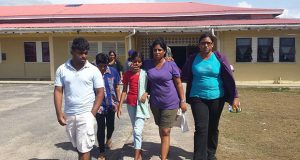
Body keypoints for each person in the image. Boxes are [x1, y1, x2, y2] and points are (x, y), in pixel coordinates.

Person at [181, 33, 240, 160]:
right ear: (199, 45)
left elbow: (229, 77)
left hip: (217, 97)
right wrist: (169, 63)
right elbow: (182, 74)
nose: (205, 45)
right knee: (201, 128)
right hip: (198, 96)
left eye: (208, 43)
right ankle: (199, 157)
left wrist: (235, 96)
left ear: (212, 45)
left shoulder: (219, 58)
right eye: (203, 43)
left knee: (213, 127)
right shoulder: (193, 59)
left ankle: (210, 154)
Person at [54, 37, 104, 160]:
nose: (84, 56)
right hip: (70, 115)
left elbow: (100, 92)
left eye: (86, 53)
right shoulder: (62, 69)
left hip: (86, 115)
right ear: (72, 52)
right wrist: (59, 113)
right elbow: (58, 91)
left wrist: (92, 113)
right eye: (80, 53)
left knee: (84, 150)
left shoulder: (93, 70)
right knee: (78, 147)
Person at [143, 38, 187, 160]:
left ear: (164, 51)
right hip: (155, 103)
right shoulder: (147, 64)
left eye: (159, 50)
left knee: (166, 130)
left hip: (170, 102)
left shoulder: (171, 64)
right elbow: (133, 62)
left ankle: (163, 157)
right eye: (154, 50)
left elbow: (178, 83)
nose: (157, 52)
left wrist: (182, 101)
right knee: (161, 128)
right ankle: (165, 147)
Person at [117, 52, 150, 160]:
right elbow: (124, 91)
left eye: (139, 62)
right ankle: (139, 150)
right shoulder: (127, 74)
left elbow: (151, 87)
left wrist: (146, 93)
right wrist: (120, 105)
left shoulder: (145, 74)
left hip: (141, 105)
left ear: (141, 63)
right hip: (131, 105)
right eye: (134, 61)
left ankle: (136, 157)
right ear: (131, 61)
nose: (136, 63)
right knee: (136, 129)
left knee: (137, 130)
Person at [95, 53, 121, 160]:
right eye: (100, 66)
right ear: (96, 64)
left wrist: (118, 103)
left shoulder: (113, 72)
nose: (102, 68)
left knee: (111, 126)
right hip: (99, 106)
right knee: (101, 128)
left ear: (107, 64)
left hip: (111, 105)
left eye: (104, 66)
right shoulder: (93, 73)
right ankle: (101, 152)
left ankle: (109, 138)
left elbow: (117, 87)